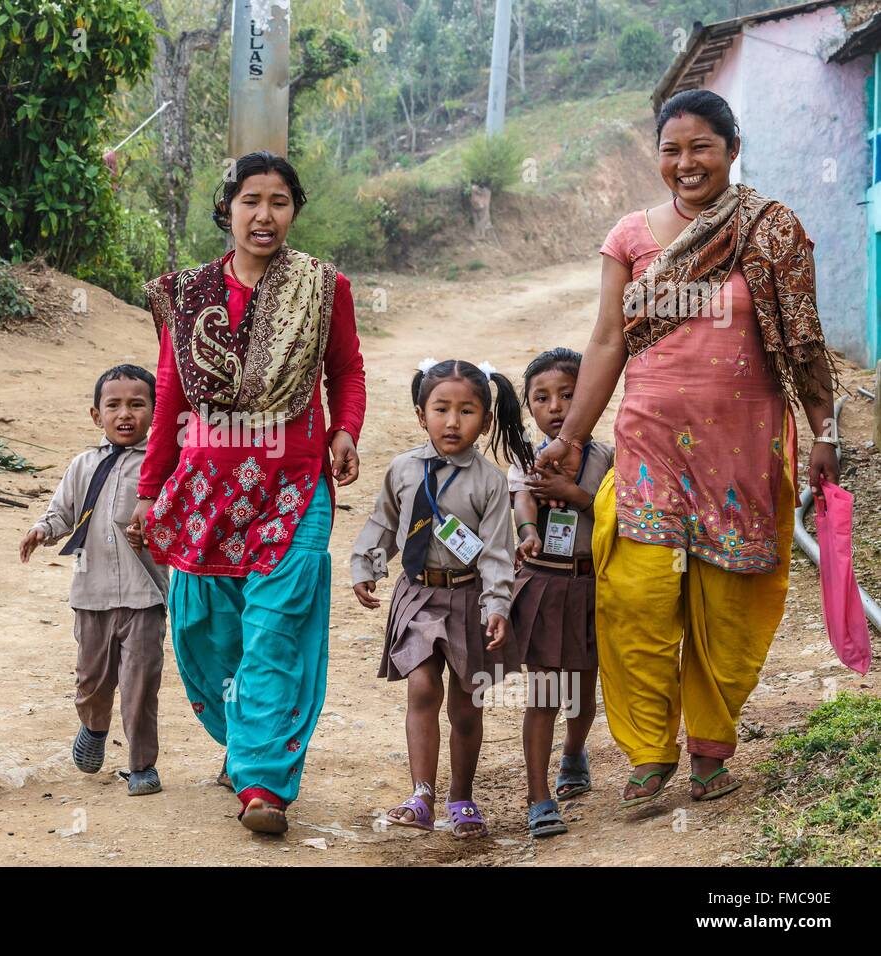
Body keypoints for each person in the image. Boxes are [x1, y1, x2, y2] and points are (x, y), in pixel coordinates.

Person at [532, 89, 840, 807]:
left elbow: (803, 341)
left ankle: (709, 746)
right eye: (672, 149)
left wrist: (825, 433)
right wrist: (572, 436)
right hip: (649, 444)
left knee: (729, 601)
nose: (686, 161)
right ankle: (648, 751)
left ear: (733, 150)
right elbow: (608, 339)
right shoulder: (632, 236)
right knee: (635, 594)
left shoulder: (771, 230)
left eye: (702, 146)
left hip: (745, 447)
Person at [126, 151, 366, 834]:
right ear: (226, 209)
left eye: (281, 201)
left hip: (294, 486)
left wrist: (344, 430)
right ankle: (242, 736)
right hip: (204, 486)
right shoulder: (189, 291)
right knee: (205, 628)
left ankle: (262, 782)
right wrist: (150, 490)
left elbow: (346, 371)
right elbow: (170, 389)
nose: (265, 215)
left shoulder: (323, 288)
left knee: (275, 628)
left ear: (295, 210)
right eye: (251, 200)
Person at [351, 359, 527, 838]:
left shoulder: (490, 482)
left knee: (467, 705)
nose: (453, 422)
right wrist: (367, 565)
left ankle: (462, 795)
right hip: (419, 593)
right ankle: (422, 794)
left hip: (469, 598)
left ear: (486, 419)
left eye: (467, 411)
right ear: (419, 413)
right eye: (441, 409)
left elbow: (495, 552)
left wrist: (497, 607)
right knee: (423, 687)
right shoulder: (404, 469)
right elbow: (385, 523)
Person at [21, 365, 169, 796]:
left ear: (155, 413)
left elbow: (178, 519)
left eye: (137, 404)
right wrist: (42, 530)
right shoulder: (83, 465)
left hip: (146, 596)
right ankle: (94, 726)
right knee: (92, 682)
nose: (126, 414)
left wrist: (158, 530)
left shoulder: (162, 467)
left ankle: (142, 765)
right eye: (114, 405)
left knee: (142, 686)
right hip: (91, 594)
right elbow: (62, 512)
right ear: (95, 414)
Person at [509, 348, 613, 837]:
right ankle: (538, 798)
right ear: (529, 407)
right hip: (544, 585)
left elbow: (617, 514)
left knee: (583, 687)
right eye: (542, 398)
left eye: (569, 395)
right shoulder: (525, 458)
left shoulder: (608, 459)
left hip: (592, 584)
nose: (556, 407)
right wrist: (528, 530)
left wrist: (579, 498)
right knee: (545, 691)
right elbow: (523, 499)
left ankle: (573, 754)